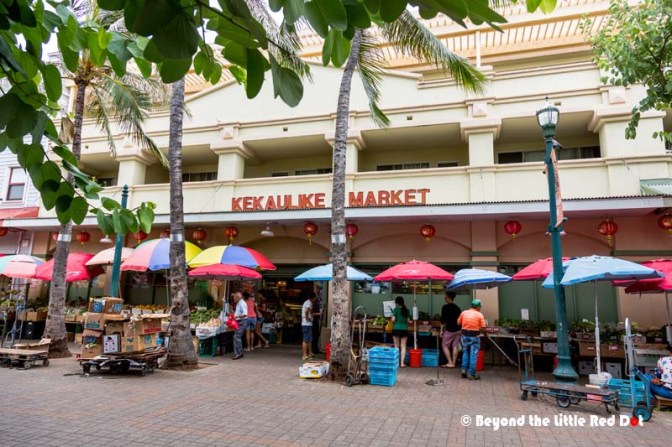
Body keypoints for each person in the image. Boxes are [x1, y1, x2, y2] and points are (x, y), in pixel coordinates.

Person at [457, 299, 486, 380]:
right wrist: (485, 334)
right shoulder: (480, 315)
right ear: (478, 307)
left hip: (464, 335)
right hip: (474, 336)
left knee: (465, 352)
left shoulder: (464, 312)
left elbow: (458, 323)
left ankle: (463, 370)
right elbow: (483, 328)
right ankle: (471, 374)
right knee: (473, 354)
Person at [440, 291, 462, 368]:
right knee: (455, 346)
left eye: (445, 296)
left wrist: (441, 330)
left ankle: (450, 362)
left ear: (448, 297)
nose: (444, 298)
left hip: (450, 330)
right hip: (458, 330)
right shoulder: (457, 308)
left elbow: (443, 320)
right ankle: (454, 363)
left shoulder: (445, 307)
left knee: (445, 346)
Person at [391, 296, 411, 368]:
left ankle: (396, 362)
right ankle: (402, 363)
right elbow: (408, 321)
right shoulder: (407, 310)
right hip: (404, 329)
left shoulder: (395, 310)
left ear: (397, 303)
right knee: (403, 346)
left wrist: (393, 319)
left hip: (396, 329)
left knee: (396, 346)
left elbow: (393, 320)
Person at [301, 292, 317, 361]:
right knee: (306, 340)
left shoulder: (307, 302)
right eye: (315, 298)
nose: (315, 299)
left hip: (307, 324)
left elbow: (310, 312)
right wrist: (307, 318)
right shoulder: (309, 303)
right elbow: (307, 311)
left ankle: (310, 352)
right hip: (306, 324)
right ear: (313, 298)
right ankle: (304, 355)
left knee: (309, 339)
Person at [232, 292, 247, 360]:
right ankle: (239, 352)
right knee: (237, 336)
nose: (233, 299)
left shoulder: (242, 303)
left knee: (236, 337)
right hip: (239, 322)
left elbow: (245, 314)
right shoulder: (239, 303)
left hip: (242, 322)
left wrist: (237, 316)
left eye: (234, 297)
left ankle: (238, 353)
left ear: (237, 297)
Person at [311, 284, 323, 355]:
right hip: (313, 321)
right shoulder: (312, 304)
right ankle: (314, 349)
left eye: (318, 288)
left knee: (316, 334)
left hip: (315, 320)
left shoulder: (318, 298)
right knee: (315, 335)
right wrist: (319, 314)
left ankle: (315, 348)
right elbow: (311, 313)